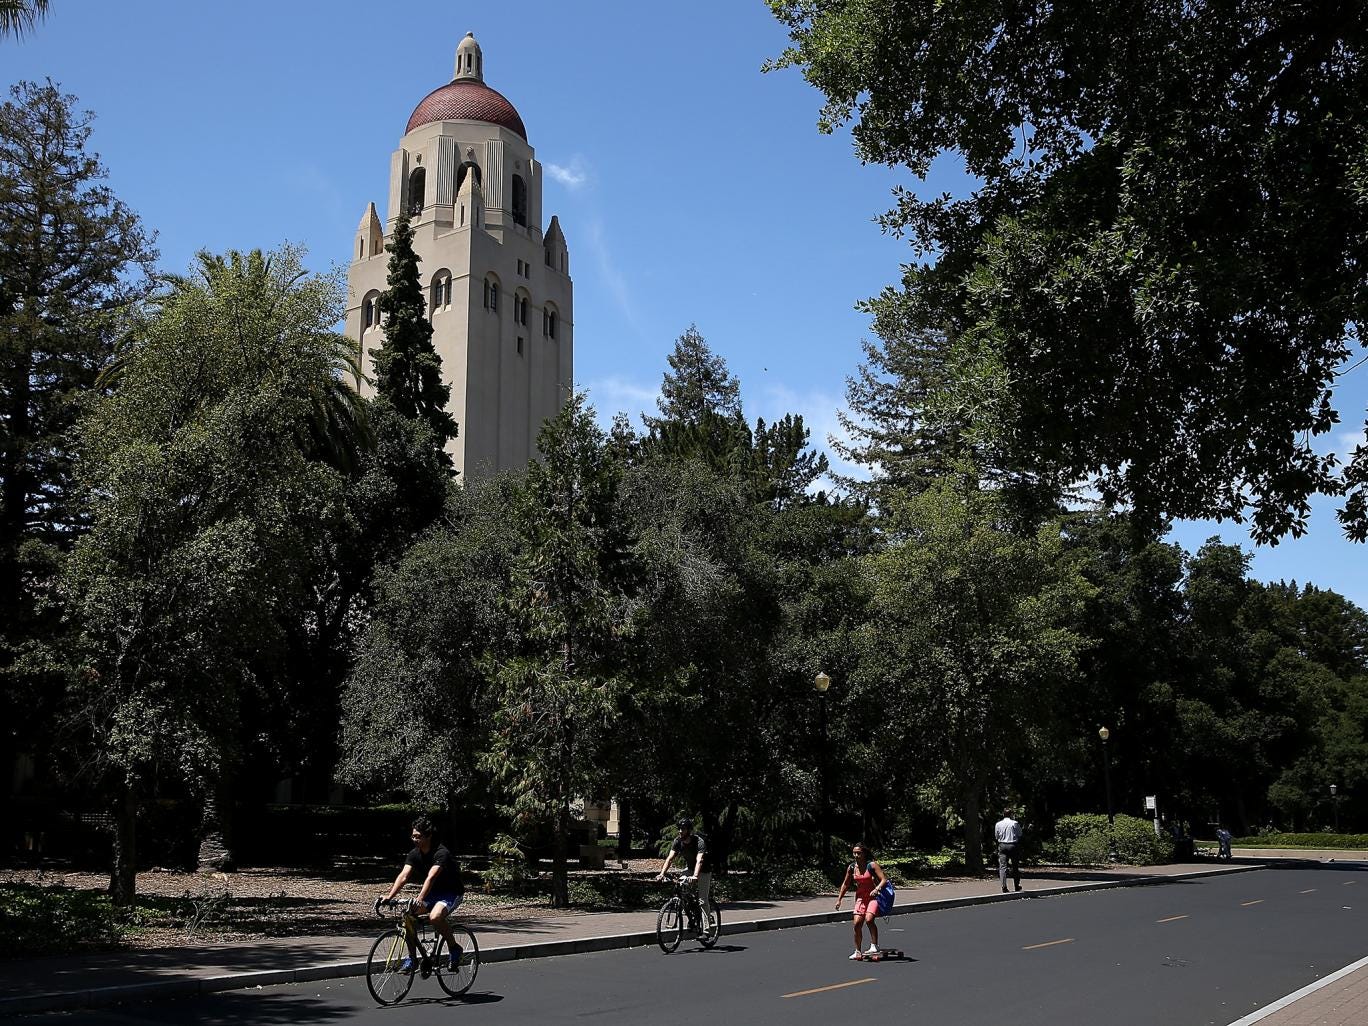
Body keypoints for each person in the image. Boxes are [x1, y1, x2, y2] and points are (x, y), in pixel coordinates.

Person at [380, 815, 464, 971]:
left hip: (451, 893)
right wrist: (389, 896)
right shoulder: (414, 854)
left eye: (418, 837)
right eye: (412, 836)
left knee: (435, 917)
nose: (414, 839)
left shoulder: (441, 853)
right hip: (433, 894)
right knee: (408, 916)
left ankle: (454, 948)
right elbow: (404, 876)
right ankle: (412, 959)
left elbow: (431, 878)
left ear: (429, 836)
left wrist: (419, 899)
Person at [835, 842, 890, 959]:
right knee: (857, 924)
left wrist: (877, 888)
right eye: (854, 853)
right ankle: (857, 951)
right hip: (860, 898)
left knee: (869, 919)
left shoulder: (872, 865)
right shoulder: (851, 867)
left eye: (859, 853)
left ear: (864, 853)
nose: (856, 855)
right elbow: (846, 884)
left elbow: (884, 879)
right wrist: (839, 899)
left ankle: (874, 945)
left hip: (874, 897)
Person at [657, 818, 713, 929]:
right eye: (679, 829)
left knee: (702, 900)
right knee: (681, 886)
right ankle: (691, 913)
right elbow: (669, 859)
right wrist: (662, 873)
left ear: (689, 830)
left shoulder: (699, 842)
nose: (680, 831)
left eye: (683, 829)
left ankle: (706, 928)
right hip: (690, 869)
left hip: (704, 871)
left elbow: (699, 860)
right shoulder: (678, 841)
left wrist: (695, 876)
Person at [995, 807, 1023, 892]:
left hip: (1002, 845)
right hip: (1013, 844)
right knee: (1015, 866)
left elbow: (996, 836)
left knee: (1003, 866)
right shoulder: (1014, 823)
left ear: (1003, 814)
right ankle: (1016, 885)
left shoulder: (998, 824)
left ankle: (1004, 886)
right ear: (1011, 814)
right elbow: (1020, 834)